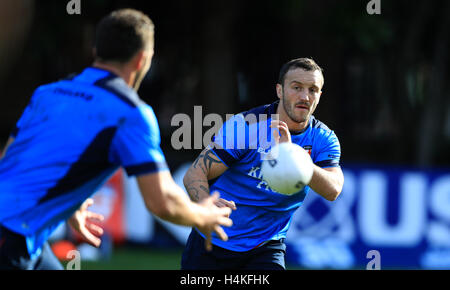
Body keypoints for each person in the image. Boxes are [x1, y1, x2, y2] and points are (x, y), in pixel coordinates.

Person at [0, 8, 232, 270]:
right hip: (11, 235)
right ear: (142, 59)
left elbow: (9, 159)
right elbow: (162, 201)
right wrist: (204, 215)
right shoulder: (130, 113)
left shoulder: (48, 93)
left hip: (20, 232)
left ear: (96, 49)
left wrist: (67, 202)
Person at [181, 58, 344, 270]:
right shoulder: (247, 126)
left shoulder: (323, 139)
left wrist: (296, 159)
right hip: (213, 241)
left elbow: (333, 190)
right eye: (296, 87)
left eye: (313, 90)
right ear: (280, 91)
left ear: (319, 96)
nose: (305, 96)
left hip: (266, 246)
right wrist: (206, 203)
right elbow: (194, 174)